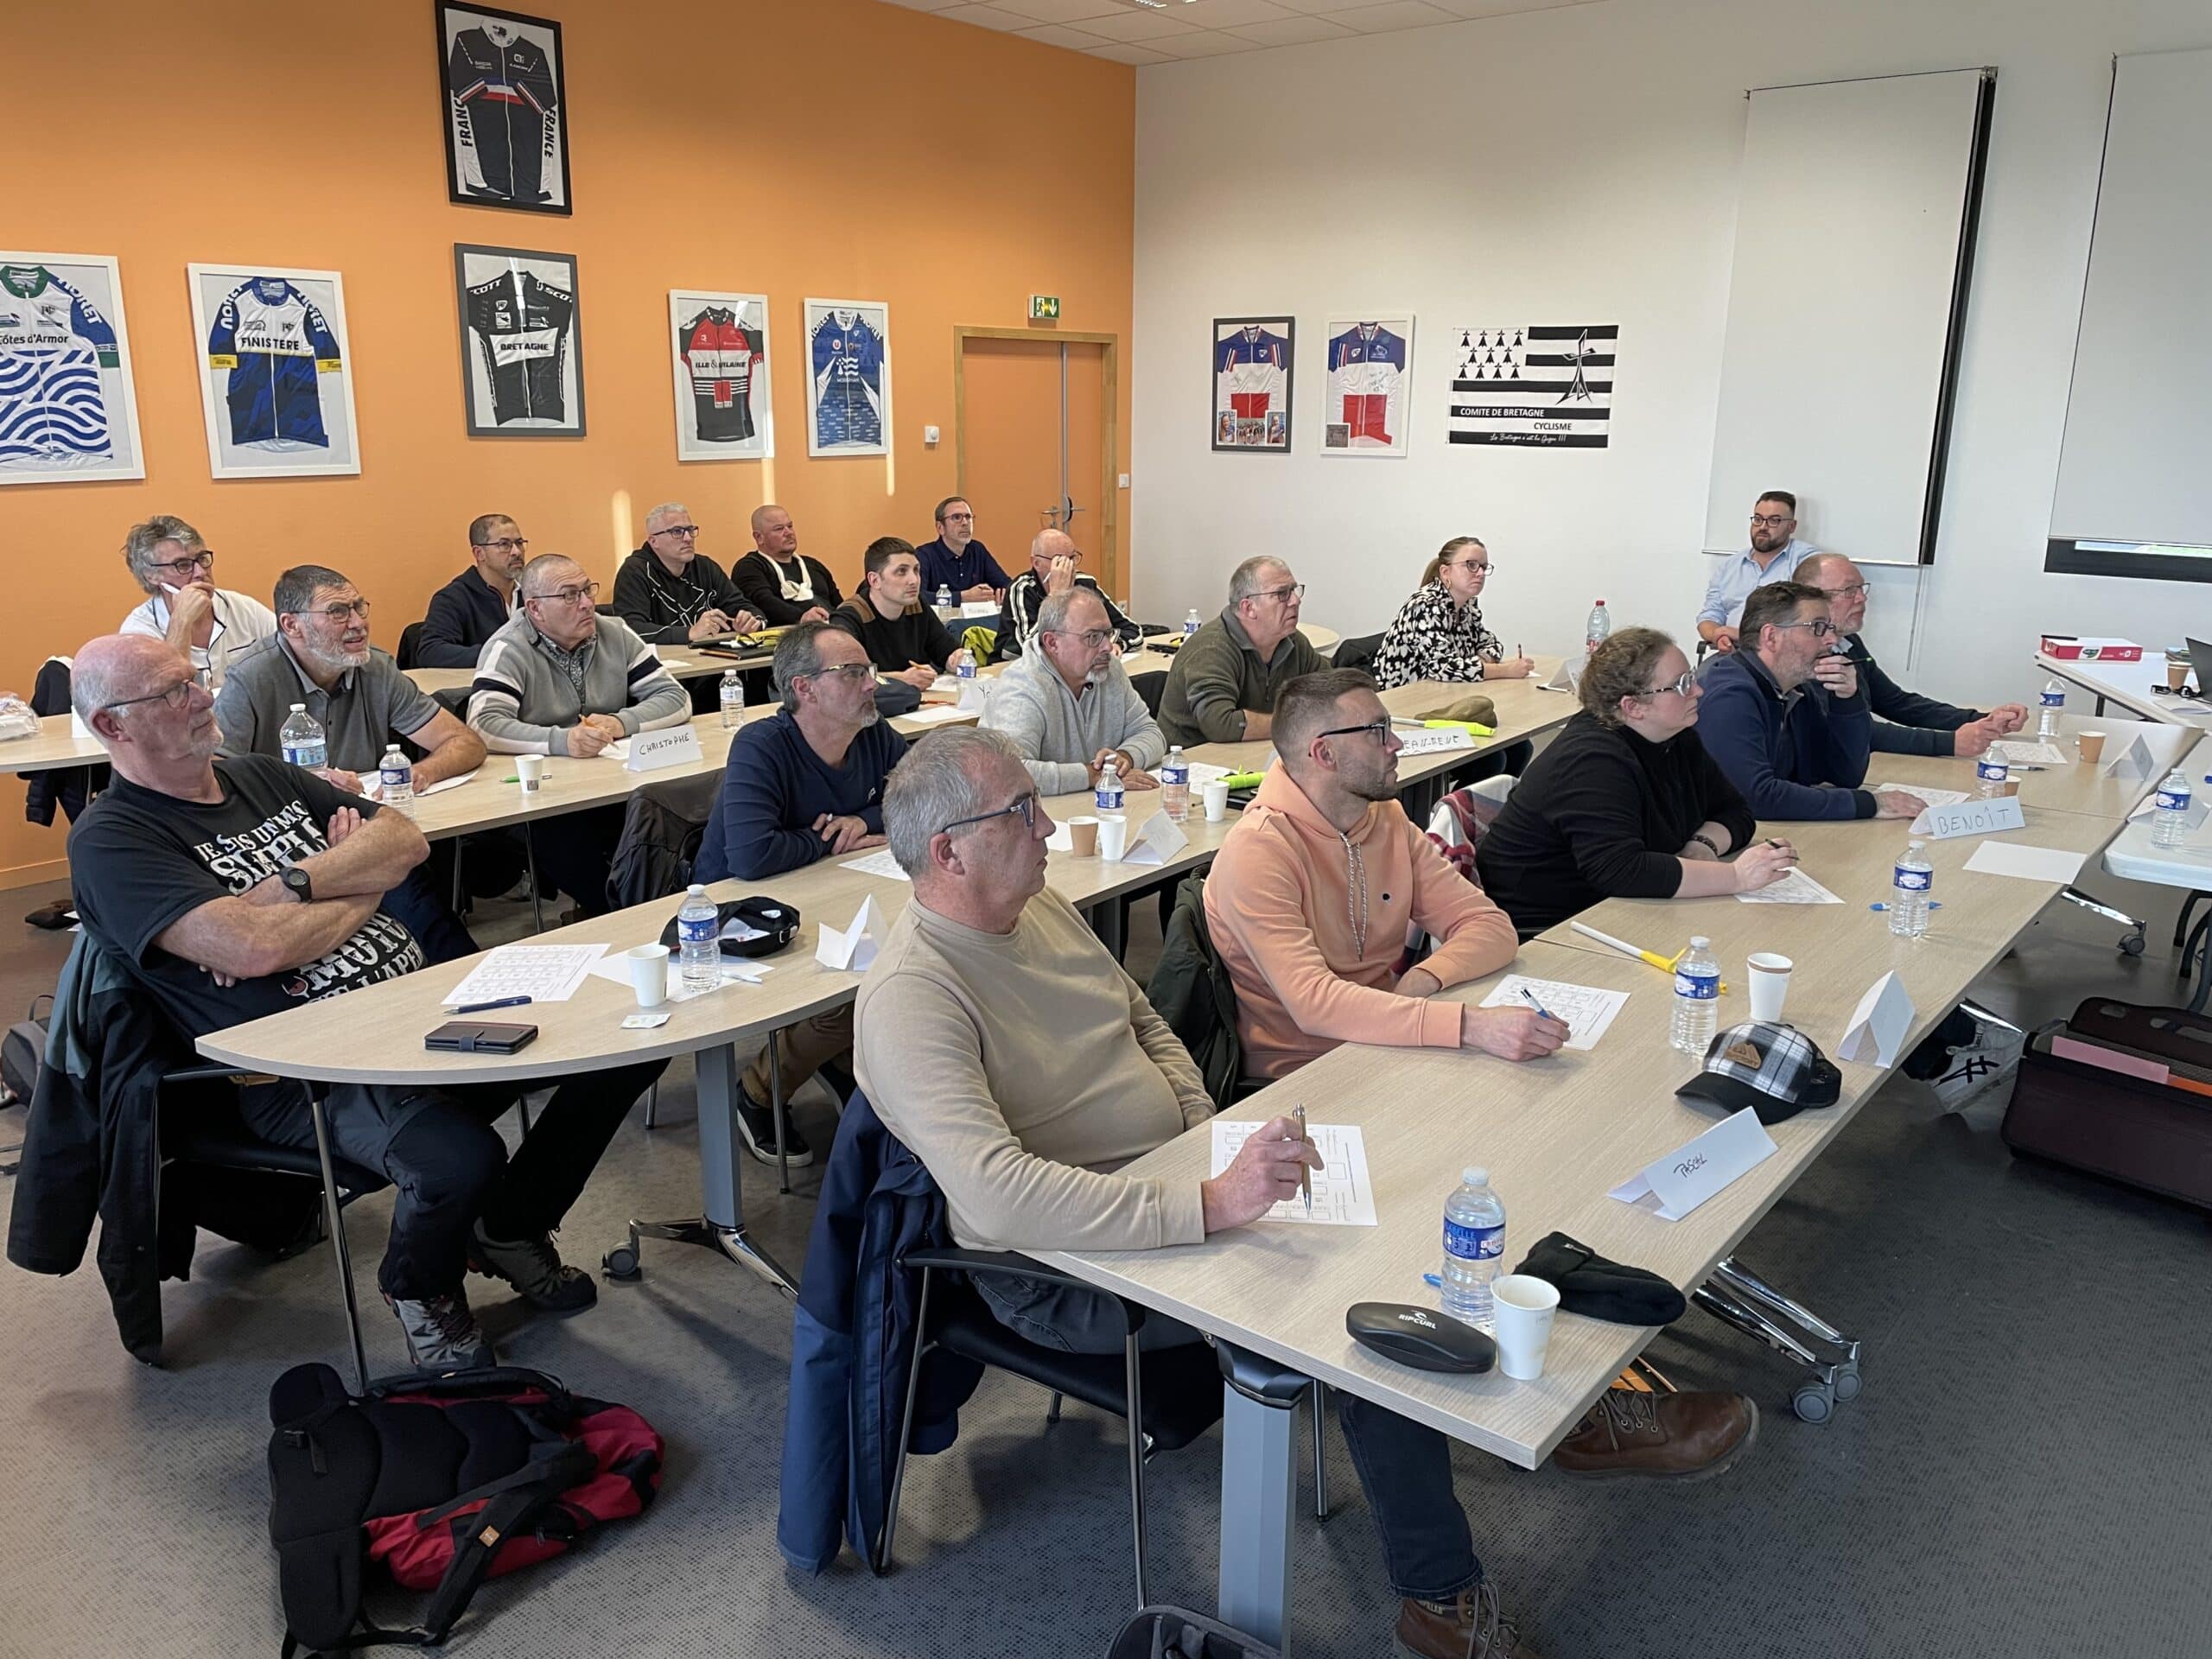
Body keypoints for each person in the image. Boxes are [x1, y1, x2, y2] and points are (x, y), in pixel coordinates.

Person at [858, 728, 1726, 1659]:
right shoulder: (913, 995)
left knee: (1413, 1193)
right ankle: (1442, 1597)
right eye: (1021, 810)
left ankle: (1582, 1408)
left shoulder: (1038, 909)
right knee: (1350, 1310)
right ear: (949, 851)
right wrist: (1207, 1203)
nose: (1045, 827)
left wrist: (1203, 1133)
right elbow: (999, 1202)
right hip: (1065, 1267)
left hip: (1175, 1177)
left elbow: (1144, 1021)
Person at [66, 633, 662, 1371]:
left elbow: (404, 839)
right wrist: (359, 880)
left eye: (196, 679)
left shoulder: (258, 775)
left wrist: (302, 883)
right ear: (112, 725)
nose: (203, 697)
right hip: (305, 1065)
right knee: (459, 1161)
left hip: (422, 1006)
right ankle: (419, 1285)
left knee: (628, 1037)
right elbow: (252, 950)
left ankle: (509, 1226)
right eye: (172, 691)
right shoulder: (113, 841)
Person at [1204, 669, 1542, 1081]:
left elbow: (1490, 926)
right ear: (1324, 753)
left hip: (1390, 1038)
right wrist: (1468, 1026)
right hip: (1306, 1075)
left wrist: (1422, 979)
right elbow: (1314, 1004)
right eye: (1377, 732)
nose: (1396, 744)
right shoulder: (1257, 851)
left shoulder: (1385, 818)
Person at [695, 623, 906, 1165]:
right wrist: (826, 837)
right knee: (860, 981)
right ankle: (758, 1089)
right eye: (853, 674)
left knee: (900, 962)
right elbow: (752, 856)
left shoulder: (873, 734)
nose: (871, 684)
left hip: (830, 891)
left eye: (868, 671)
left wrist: (861, 821)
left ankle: (832, 1057)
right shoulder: (761, 745)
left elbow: (917, 800)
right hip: (737, 917)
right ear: (804, 688)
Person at [214, 564, 486, 963]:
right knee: (400, 886)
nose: (358, 623)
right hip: (290, 838)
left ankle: (458, 970)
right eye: (338, 612)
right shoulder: (251, 678)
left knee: (413, 874)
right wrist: (304, 788)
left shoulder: (375, 668)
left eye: (360, 607)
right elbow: (214, 779)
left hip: (367, 827)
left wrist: (419, 772)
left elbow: (465, 743)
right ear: (291, 625)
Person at [1475, 628, 1798, 938]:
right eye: (1682, 685)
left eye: (1692, 678)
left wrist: (1702, 845)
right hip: (1546, 930)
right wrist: (1736, 876)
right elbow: (1622, 870)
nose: (1698, 691)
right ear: (1633, 707)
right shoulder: (1591, 761)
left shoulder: (1676, 736)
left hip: (1616, 909)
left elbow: (1736, 811)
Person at [468, 554, 691, 913]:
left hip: (612, 781)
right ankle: (620, 916)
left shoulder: (614, 632)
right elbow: (483, 725)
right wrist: (563, 740)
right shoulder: (508, 647)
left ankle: (662, 905)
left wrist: (620, 722)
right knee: (566, 836)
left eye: (587, 590)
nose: (587, 603)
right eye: (570, 595)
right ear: (535, 609)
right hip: (544, 796)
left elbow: (676, 698)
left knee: (665, 809)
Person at [1696, 582, 1927, 823]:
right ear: (1771, 637)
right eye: (1818, 627)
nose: (1832, 639)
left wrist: (1847, 701)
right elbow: (1756, 798)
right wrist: (1871, 803)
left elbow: (1845, 775)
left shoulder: (1797, 690)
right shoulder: (1729, 697)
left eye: (1829, 627)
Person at [1796, 553, 2028, 756]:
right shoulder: (1805, 656)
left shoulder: (1849, 643)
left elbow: (1897, 703)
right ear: (1812, 600)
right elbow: (1855, 731)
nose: (1862, 598)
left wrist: (1982, 720)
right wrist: (1950, 742)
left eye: (1861, 588)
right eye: (1849, 590)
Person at [981, 587, 1166, 794]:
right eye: (1093, 637)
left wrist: (1124, 758)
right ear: (1052, 643)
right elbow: (1009, 774)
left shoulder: (1109, 669)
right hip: (1038, 811)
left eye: (1108, 634)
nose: (1107, 647)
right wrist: (1094, 775)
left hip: (1090, 804)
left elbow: (1151, 732)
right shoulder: (1022, 687)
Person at [1156, 556, 1326, 747]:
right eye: (1282, 594)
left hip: (1252, 752)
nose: (1295, 600)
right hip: (1191, 758)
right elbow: (1220, 724)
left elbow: (1333, 693)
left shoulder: (1292, 642)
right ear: (1249, 607)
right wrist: (1297, 723)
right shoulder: (1212, 648)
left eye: (1294, 590)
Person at [116, 515, 277, 690]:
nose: (200, 572)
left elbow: (290, 656)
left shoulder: (243, 608)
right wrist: (181, 621)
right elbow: (167, 693)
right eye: (183, 565)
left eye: (202, 559)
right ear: (152, 576)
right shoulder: (139, 631)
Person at [1370, 537, 1535, 688]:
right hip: (1404, 698)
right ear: (1445, 572)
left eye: (1483, 567)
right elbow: (1443, 668)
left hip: (1445, 691)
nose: (1480, 573)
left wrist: (1480, 662)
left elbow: (1492, 644)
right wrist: (1505, 670)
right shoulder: (1425, 605)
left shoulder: (1467, 605)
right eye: (1471, 565)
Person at [611, 499, 762, 645]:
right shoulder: (635, 571)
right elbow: (630, 629)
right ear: (654, 541)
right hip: (663, 660)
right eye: (677, 532)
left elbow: (742, 605)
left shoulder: (705, 567)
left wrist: (751, 621)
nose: (688, 538)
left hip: (711, 656)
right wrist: (689, 633)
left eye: (690, 530)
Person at [829, 537, 970, 690]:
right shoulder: (849, 617)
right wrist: (902, 679)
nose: (914, 580)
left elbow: (945, 650)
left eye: (916, 570)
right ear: (875, 580)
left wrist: (955, 659)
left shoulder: (917, 606)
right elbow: (848, 677)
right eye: (901, 572)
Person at [1695, 491, 1820, 653]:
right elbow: (1710, 616)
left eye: (1774, 521)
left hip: (1781, 655)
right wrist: (1718, 636)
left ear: (1792, 526)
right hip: (1732, 653)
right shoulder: (1730, 566)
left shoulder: (1808, 562)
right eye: (1758, 519)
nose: (1762, 527)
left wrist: (1742, 636)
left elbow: (1812, 620)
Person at [994, 528, 1140, 660]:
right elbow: (1031, 648)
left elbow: (1133, 630)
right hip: (1015, 668)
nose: (1070, 567)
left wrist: (1116, 644)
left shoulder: (1084, 582)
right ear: (1037, 563)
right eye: (1060, 561)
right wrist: (1056, 596)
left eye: (1072, 558)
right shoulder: (1022, 589)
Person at [416, 514, 526, 669]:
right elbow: (431, 652)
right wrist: (499, 654)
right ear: (479, 553)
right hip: (479, 682)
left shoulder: (534, 593)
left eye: (519, 543)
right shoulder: (453, 598)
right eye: (504, 544)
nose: (517, 551)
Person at [731, 503, 842, 628]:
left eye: (790, 526)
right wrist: (802, 617)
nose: (789, 533)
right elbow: (764, 602)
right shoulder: (749, 567)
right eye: (779, 529)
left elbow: (838, 603)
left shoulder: (813, 565)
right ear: (759, 537)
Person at [914, 496, 1010, 603]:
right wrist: (962, 597)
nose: (965, 523)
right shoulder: (924, 555)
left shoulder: (977, 549)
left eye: (968, 517)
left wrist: (1001, 593)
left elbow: (1005, 584)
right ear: (940, 527)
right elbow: (918, 597)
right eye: (957, 517)